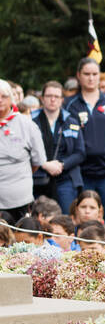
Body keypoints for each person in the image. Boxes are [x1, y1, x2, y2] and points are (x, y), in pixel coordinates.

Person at [63, 58, 105, 229]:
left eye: (95, 74)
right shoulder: (69, 104)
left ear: (100, 76)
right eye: (87, 74)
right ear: (79, 76)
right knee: (82, 222)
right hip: (81, 173)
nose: (91, 78)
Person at [32, 81, 85, 212]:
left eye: (56, 96)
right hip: (38, 178)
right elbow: (26, 150)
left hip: (66, 177)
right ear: (42, 98)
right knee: (38, 219)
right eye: (49, 96)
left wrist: (62, 165)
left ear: (62, 100)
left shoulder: (71, 122)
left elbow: (80, 153)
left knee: (66, 219)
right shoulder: (31, 121)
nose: (52, 99)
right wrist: (44, 164)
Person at [0, 79, 46, 219]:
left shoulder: (27, 125)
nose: (0, 100)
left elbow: (37, 162)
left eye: (4, 96)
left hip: (19, 199)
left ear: (11, 99)